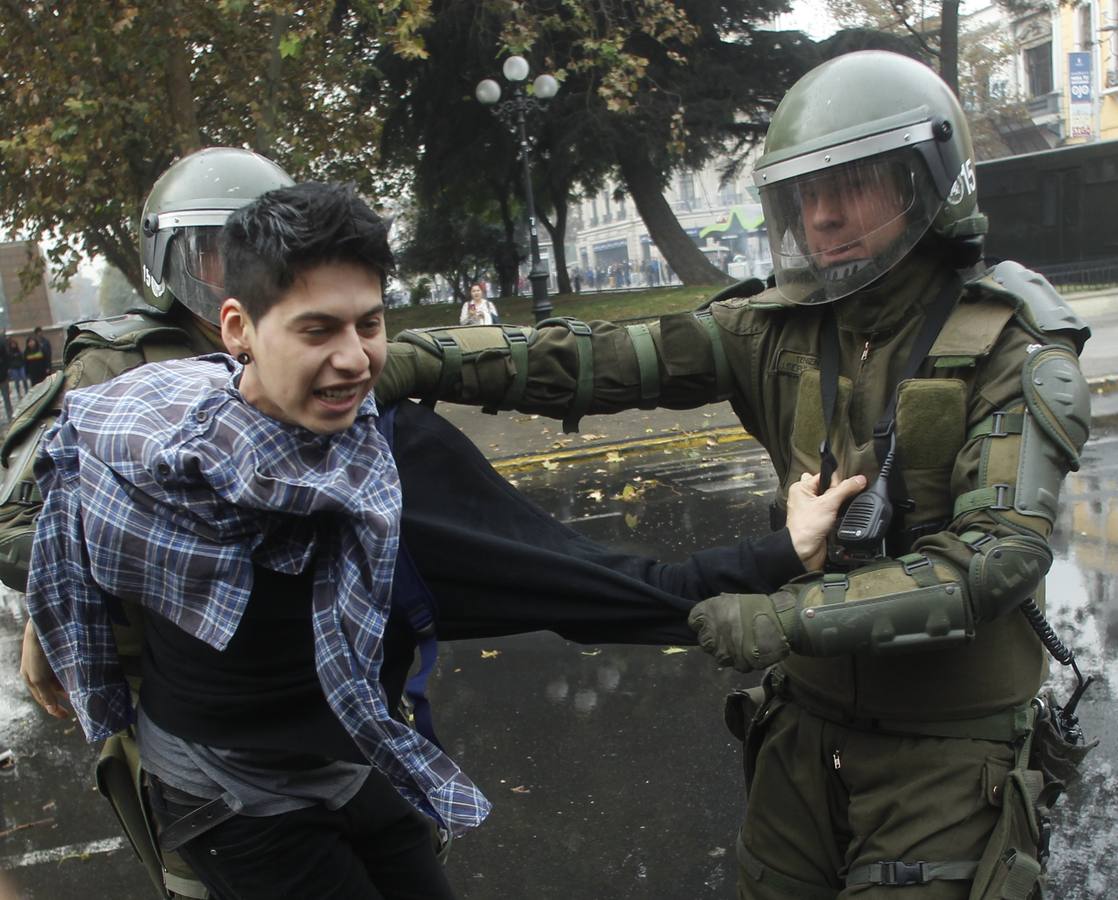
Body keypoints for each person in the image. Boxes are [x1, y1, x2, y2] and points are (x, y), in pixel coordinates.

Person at [13, 150, 864, 898]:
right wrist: (52, 625)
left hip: (358, 759)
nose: (352, 358)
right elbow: (68, 483)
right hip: (221, 797)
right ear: (235, 328)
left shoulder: (394, 476)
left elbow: (592, 585)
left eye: (370, 324)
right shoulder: (143, 420)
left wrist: (778, 552)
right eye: (317, 330)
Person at [372, 51, 1092, 898]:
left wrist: (785, 615)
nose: (822, 216)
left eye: (851, 185)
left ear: (927, 182)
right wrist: (413, 361)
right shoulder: (779, 329)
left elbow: (997, 558)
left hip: (946, 753)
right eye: (803, 195)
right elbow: (604, 358)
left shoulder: (1011, 347)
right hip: (804, 733)